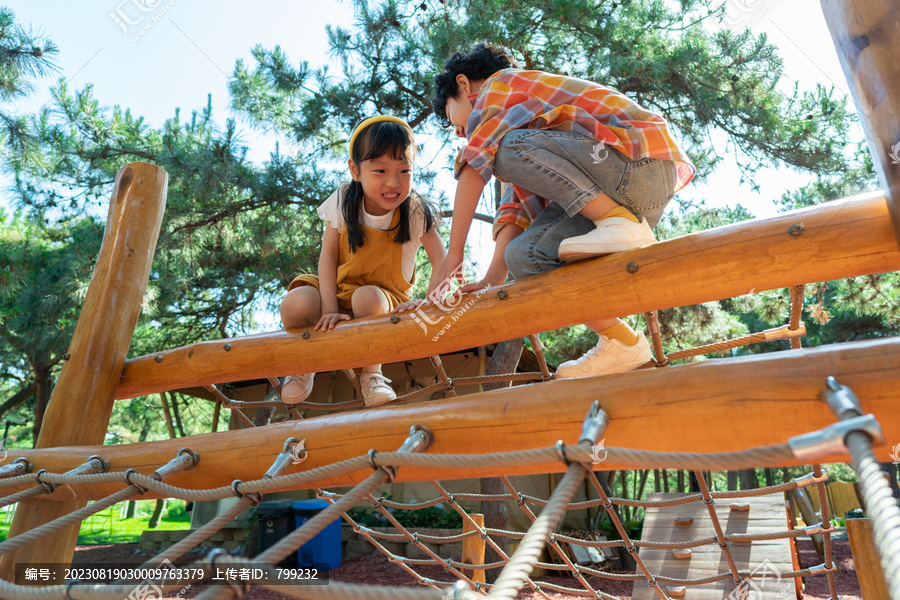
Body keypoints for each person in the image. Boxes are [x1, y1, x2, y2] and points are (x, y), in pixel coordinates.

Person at [429, 43, 695, 378]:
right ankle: (621, 341)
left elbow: (475, 163)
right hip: (621, 196)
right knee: (524, 256)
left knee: (506, 150)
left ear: (464, 85)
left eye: (451, 115)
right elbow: (515, 209)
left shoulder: (502, 85)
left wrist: (454, 257)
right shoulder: (524, 132)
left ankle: (617, 221)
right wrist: (491, 280)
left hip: (643, 168)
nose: (456, 130)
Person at [280, 116, 445, 406]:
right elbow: (328, 256)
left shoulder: (415, 209)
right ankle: (302, 363)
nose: (393, 182)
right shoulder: (345, 198)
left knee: (368, 297)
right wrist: (329, 308)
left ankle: (372, 374)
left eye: (404, 171)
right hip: (338, 293)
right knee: (295, 303)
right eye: (380, 170)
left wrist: (428, 302)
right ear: (355, 170)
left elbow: (443, 261)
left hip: (381, 303)